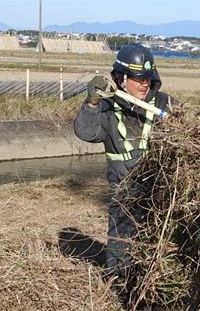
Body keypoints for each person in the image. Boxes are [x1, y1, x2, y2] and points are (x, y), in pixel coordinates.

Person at [73, 43, 173, 286]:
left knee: (159, 246)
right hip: (124, 193)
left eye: (148, 78)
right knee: (121, 244)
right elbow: (86, 132)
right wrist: (92, 103)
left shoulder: (165, 105)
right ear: (120, 78)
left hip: (160, 193)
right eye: (138, 78)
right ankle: (119, 288)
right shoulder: (107, 108)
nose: (144, 83)